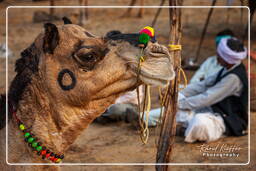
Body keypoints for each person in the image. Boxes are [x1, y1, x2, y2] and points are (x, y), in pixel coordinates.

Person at [148, 37, 248, 143]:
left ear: (227, 58)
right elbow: (202, 85)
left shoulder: (234, 78)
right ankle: (186, 127)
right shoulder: (226, 68)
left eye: (220, 55)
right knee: (179, 99)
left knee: (200, 122)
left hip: (225, 119)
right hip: (211, 110)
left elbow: (208, 97)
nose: (217, 57)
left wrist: (176, 103)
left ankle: (186, 129)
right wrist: (174, 94)